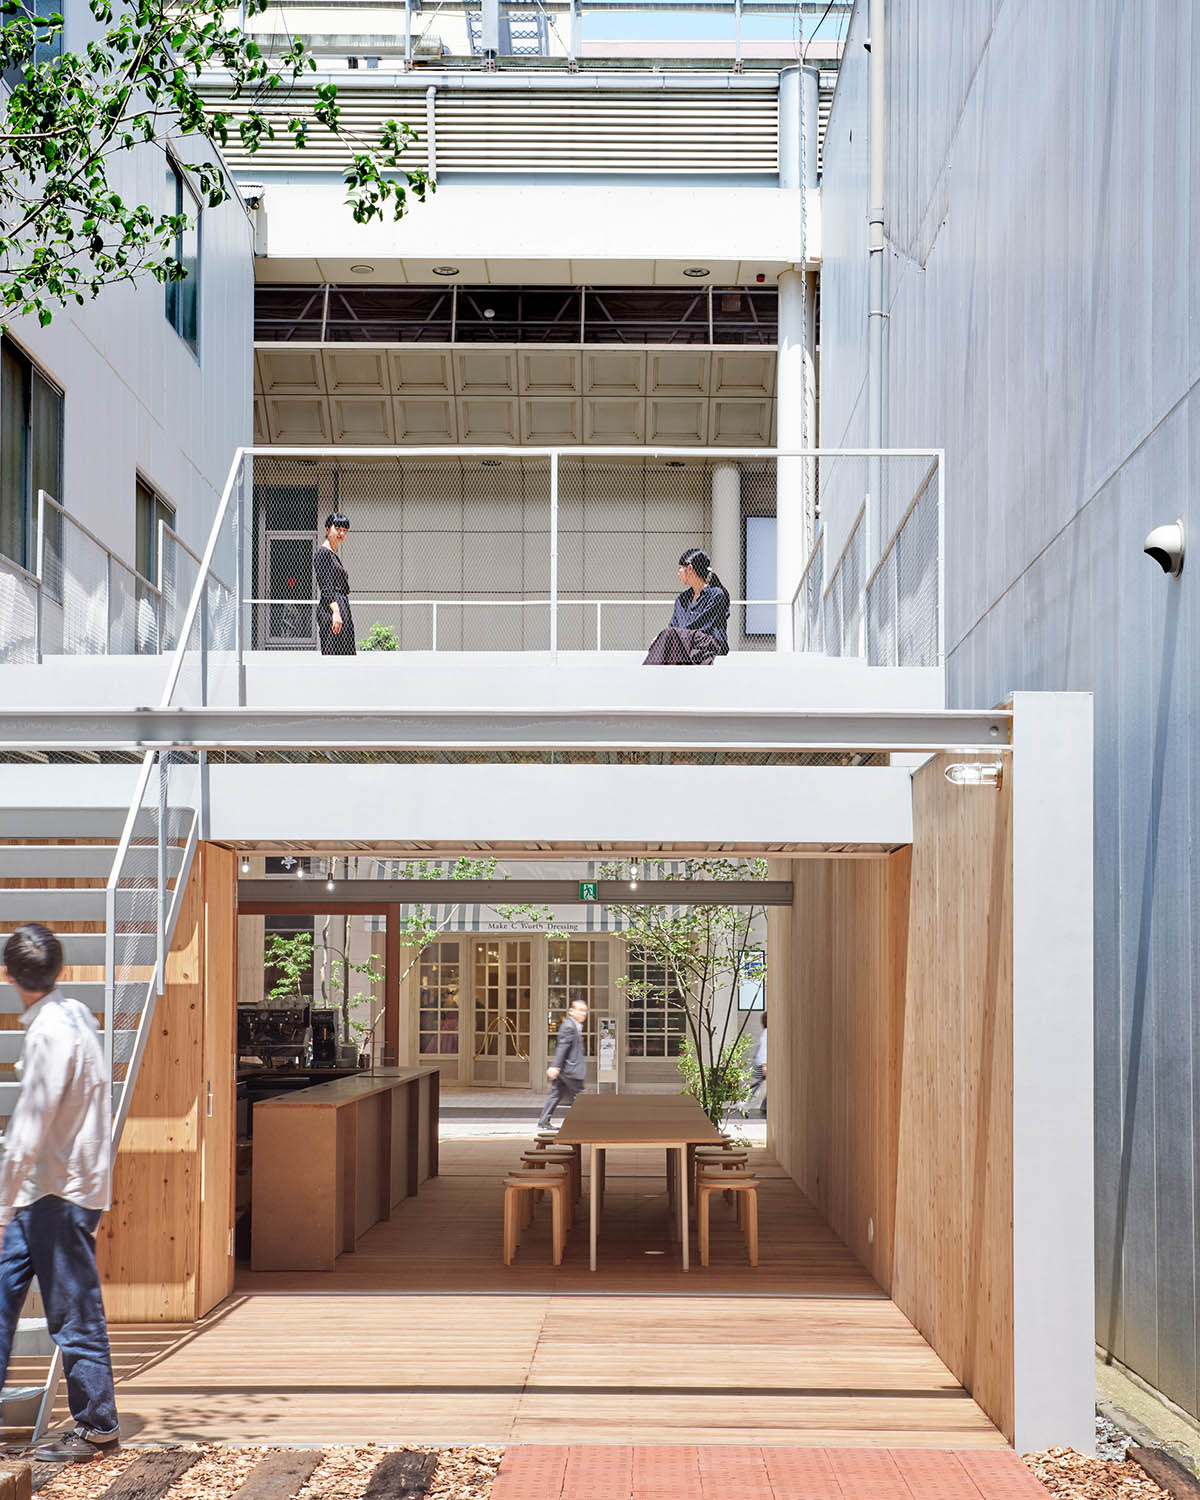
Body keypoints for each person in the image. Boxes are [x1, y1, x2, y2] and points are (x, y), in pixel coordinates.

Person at [0, 925, 118, 1463]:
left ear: (8, 975)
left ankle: (96, 1428)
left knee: (73, 1312)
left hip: (56, 1192)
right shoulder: (77, 1017)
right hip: (53, 1189)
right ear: (61, 970)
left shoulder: (51, 1030)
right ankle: (94, 1424)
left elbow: (29, 1124)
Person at [643, 546, 731, 665]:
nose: (678, 573)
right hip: (686, 644)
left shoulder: (716, 595)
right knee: (665, 639)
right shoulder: (681, 599)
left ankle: (646, 675)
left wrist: (668, 637)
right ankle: (650, 676)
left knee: (668, 637)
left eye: (680, 568)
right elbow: (672, 627)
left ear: (690, 569)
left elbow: (702, 625)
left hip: (708, 644)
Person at [538, 997, 588, 1131]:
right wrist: (555, 1066)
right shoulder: (569, 1027)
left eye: (585, 1011)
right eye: (581, 1010)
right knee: (582, 1097)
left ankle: (543, 1121)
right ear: (571, 1011)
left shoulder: (574, 1025)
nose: (584, 1013)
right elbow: (562, 1047)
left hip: (566, 1069)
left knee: (556, 1094)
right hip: (569, 1069)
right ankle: (586, 1123)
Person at [313, 512, 356, 656]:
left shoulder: (331, 553)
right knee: (335, 656)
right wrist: (336, 612)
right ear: (327, 529)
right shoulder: (323, 553)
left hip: (339, 606)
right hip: (332, 608)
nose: (341, 533)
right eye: (337, 528)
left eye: (345, 530)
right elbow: (326, 586)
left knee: (344, 654)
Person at [751, 1011, 767, 1118]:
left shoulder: (766, 1032)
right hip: (763, 1065)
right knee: (759, 1088)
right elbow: (764, 1051)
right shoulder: (767, 1033)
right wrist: (765, 1066)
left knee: (765, 1087)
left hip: (762, 1064)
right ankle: (743, 1105)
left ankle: (764, 1106)